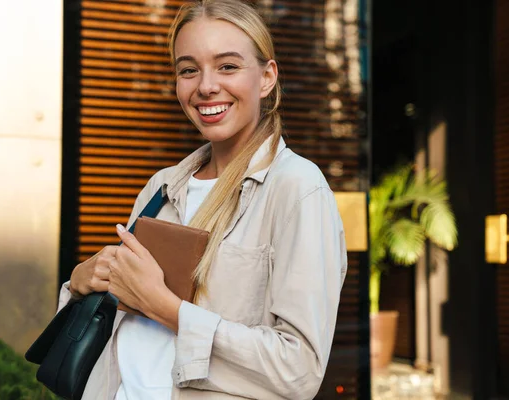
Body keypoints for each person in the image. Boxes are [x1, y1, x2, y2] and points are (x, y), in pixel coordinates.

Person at [59, 0, 347, 398]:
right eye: (188, 70)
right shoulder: (162, 187)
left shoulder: (297, 189)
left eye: (228, 66)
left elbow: (298, 371)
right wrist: (81, 280)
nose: (206, 85)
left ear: (266, 78)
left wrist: (167, 308)